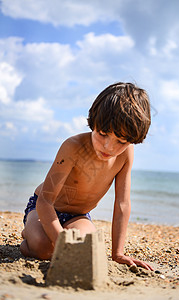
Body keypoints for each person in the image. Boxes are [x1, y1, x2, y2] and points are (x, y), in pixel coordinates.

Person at [20, 82, 153, 270]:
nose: (109, 147)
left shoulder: (125, 155)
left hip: (78, 215)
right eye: (103, 133)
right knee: (44, 249)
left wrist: (118, 253)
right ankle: (29, 234)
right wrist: (61, 242)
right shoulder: (73, 146)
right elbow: (45, 200)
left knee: (83, 249)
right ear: (93, 121)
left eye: (121, 141)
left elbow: (122, 203)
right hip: (43, 208)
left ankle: (50, 236)